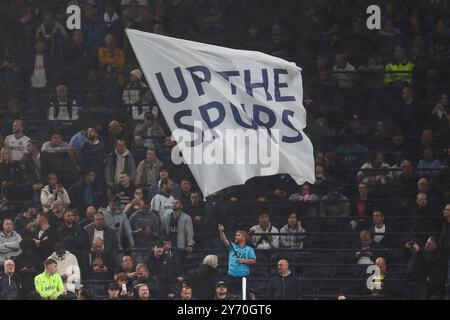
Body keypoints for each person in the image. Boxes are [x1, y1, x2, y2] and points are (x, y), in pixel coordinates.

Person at [218, 224, 256, 295]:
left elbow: (253, 261)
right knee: (229, 296)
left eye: (238, 235)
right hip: (231, 276)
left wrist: (244, 261)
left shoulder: (249, 249)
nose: (235, 237)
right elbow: (224, 240)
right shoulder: (232, 246)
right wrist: (221, 231)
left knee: (244, 296)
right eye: (235, 235)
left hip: (243, 277)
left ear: (244, 238)